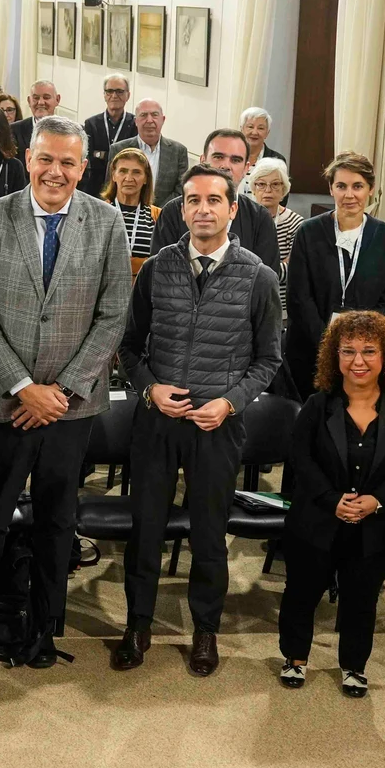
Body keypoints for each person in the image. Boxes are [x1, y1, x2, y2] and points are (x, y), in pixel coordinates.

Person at [0, 117, 132, 668]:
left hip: (70, 409)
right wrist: (25, 388)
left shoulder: (105, 222)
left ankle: (45, 630)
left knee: (58, 523)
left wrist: (63, 390)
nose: (56, 172)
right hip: (1, 402)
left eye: (68, 163)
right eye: (46, 159)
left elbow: (112, 315)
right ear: (28, 159)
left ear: (84, 168)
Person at [114, 165, 283, 677]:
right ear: (180, 209)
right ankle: (137, 624)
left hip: (218, 423)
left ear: (234, 209)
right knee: (146, 529)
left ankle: (206, 631)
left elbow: (269, 361)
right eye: (192, 200)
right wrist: (149, 387)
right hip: (159, 419)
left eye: (214, 200)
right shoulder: (157, 268)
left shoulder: (258, 275)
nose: (203, 209)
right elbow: (128, 347)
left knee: (209, 534)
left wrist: (230, 402)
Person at [277, 311, 385, 698]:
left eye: (369, 351)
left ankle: (354, 666)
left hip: (374, 527)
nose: (358, 360)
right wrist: (330, 500)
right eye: (348, 350)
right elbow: (300, 460)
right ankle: (294, 657)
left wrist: (377, 501)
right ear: (334, 356)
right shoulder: (315, 406)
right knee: (301, 593)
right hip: (316, 521)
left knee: (361, 599)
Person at [284, 152, 385, 396]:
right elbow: (299, 296)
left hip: (365, 358)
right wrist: (330, 345)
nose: (349, 195)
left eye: (357, 186)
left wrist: (357, 348)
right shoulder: (308, 232)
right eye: (341, 186)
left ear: (370, 189)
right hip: (311, 351)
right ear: (331, 189)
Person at [150, 128, 282, 271]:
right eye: (218, 157)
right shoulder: (172, 212)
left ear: (246, 168)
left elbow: (265, 283)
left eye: (236, 160)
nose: (225, 166)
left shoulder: (260, 218)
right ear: (202, 161)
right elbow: (159, 274)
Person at [247, 157, 305, 319]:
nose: (268, 190)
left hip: (281, 307)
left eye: (275, 184)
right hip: (244, 304)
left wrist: (255, 270)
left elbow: (295, 269)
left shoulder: (296, 223)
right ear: (253, 188)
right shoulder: (242, 218)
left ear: (284, 189)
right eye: (261, 184)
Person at [111, 98, 188, 208]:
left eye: (154, 115)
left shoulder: (178, 151)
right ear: (136, 121)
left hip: (165, 217)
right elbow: (110, 186)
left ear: (163, 119)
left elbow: (180, 190)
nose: (149, 120)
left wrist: (156, 213)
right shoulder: (119, 149)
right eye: (143, 115)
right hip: (125, 214)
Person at [99, 148, 158, 276]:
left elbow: (159, 261)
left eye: (136, 172)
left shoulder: (158, 216)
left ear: (146, 178)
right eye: (123, 171)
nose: (129, 178)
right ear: (114, 175)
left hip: (142, 291)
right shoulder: (98, 213)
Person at [79, 73, 137, 197]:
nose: (114, 96)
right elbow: (89, 157)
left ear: (128, 95)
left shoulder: (135, 124)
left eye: (120, 91)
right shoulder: (91, 124)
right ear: (104, 95)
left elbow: (133, 157)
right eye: (109, 91)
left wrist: (101, 154)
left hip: (125, 187)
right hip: (95, 188)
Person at [11, 80, 60, 159]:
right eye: (36, 98)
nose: (40, 102)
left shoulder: (73, 132)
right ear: (29, 101)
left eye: (46, 97)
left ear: (57, 99)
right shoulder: (14, 130)